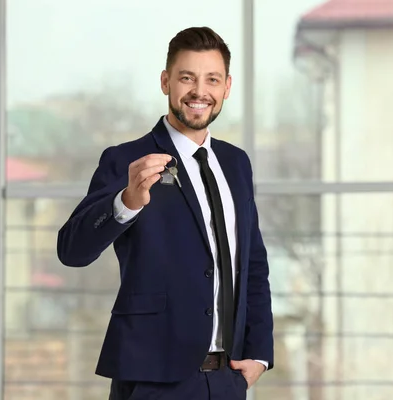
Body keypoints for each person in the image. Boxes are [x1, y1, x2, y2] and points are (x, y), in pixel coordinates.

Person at [56, 26, 274, 399]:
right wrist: (127, 201)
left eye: (211, 79)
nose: (199, 92)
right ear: (165, 82)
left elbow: (252, 263)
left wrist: (259, 354)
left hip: (227, 380)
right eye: (186, 78)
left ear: (226, 87)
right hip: (151, 379)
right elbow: (72, 251)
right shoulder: (125, 159)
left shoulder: (237, 164)